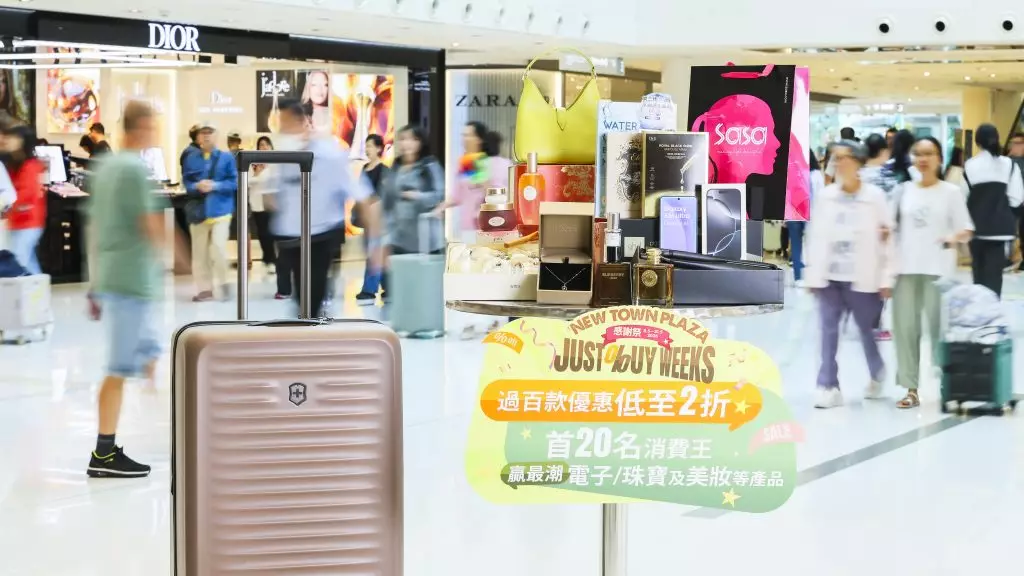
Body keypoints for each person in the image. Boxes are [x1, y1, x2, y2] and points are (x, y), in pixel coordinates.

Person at [84, 100, 188, 478]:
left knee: (149, 354)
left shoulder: (106, 167)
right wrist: (187, 265)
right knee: (117, 369)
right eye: (153, 126)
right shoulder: (132, 169)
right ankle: (104, 454)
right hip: (129, 284)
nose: (155, 132)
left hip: (121, 279)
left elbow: (95, 227)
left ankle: (164, 428)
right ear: (139, 127)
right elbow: (152, 223)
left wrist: (95, 282)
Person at [269, 98, 381, 318]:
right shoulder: (283, 153)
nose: (281, 129)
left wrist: (376, 244)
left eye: (285, 122)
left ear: (300, 121)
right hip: (291, 235)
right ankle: (307, 323)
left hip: (322, 234)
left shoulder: (328, 153)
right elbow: (276, 193)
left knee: (314, 294)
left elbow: (361, 195)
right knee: (300, 294)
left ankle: (312, 326)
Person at [803, 140, 893, 409]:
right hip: (830, 278)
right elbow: (815, 236)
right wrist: (812, 274)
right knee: (828, 332)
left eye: (845, 158)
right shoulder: (826, 196)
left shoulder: (875, 197)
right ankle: (828, 385)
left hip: (863, 277)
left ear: (858, 162)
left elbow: (889, 239)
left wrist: (887, 278)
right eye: (836, 158)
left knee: (867, 331)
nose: (839, 163)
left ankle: (876, 371)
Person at [890, 136, 973, 409]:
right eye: (918, 153)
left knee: (940, 330)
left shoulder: (951, 192)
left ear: (939, 158)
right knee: (905, 331)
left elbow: (966, 229)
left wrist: (952, 237)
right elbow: (890, 227)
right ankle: (911, 389)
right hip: (905, 270)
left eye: (929, 153)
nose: (923, 159)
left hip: (938, 271)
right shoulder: (903, 191)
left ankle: (947, 384)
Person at [378, 125, 445, 300]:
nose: (406, 143)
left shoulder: (429, 165)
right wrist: (384, 238)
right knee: (401, 292)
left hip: (426, 240)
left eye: (412, 139)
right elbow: (387, 202)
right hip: (399, 239)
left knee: (426, 293)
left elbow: (439, 195)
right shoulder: (395, 167)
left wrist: (417, 196)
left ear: (420, 142)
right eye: (402, 139)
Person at [962, 124, 1023, 296]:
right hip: (1001, 229)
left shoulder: (969, 165)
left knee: (978, 274)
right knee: (994, 276)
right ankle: (993, 307)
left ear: (977, 142)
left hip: (976, 229)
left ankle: (979, 308)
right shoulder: (1009, 165)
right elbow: (1016, 198)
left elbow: (963, 197)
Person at [182, 122, 238, 302]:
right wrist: (196, 186)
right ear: (198, 136)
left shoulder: (226, 158)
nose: (206, 135)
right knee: (199, 254)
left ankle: (224, 283)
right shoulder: (191, 158)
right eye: (203, 132)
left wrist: (215, 185)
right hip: (198, 212)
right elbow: (187, 182)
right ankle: (205, 289)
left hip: (221, 210)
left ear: (216, 135)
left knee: (219, 248)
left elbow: (234, 183)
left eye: (210, 132)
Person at [433, 121, 513, 243]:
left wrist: (483, 180)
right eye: (463, 135)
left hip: (493, 226)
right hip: (468, 228)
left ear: (479, 139)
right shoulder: (466, 162)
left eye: (469, 135)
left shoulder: (500, 163)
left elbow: (502, 195)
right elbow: (457, 195)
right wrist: (441, 207)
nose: (464, 139)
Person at [1, 124, 46, 273]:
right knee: (29, 265)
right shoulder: (13, 164)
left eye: (11, 137)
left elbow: (25, 194)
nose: (6, 140)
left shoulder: (31, 165)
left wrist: (6, 207)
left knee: (19, 264)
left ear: (21, 141)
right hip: (17, 222)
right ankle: (39, 286)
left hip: (29, 223)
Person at [355, 134, 390, 304]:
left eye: (370, 146)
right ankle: (390, 288)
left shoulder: (384, 171)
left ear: (379, 148)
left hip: (379, 219)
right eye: (366, 146)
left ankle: (369, 290)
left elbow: (384, 196)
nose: (367, 149)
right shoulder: (364, 169)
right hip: (367, 217)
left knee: (374, 253)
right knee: (377, 253)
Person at [789, 149, 823, 286]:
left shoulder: (792, 172)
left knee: (796, 245)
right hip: (811, 213)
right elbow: (820, 196)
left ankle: (798, 278)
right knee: (812, 245)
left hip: (794, 213)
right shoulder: (816, 174)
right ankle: (813, 275)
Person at [249, 136, 279, 279]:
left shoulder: (276, 163)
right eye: (261, 145)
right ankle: (267, 258)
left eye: (267, 144)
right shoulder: (253, 163)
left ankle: (272, 259)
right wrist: (257, 175)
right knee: (262, 233)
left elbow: (276, 181)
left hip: (272, 202)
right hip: (257, 202)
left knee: (271, 232)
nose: (264, 147)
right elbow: (247, 181)